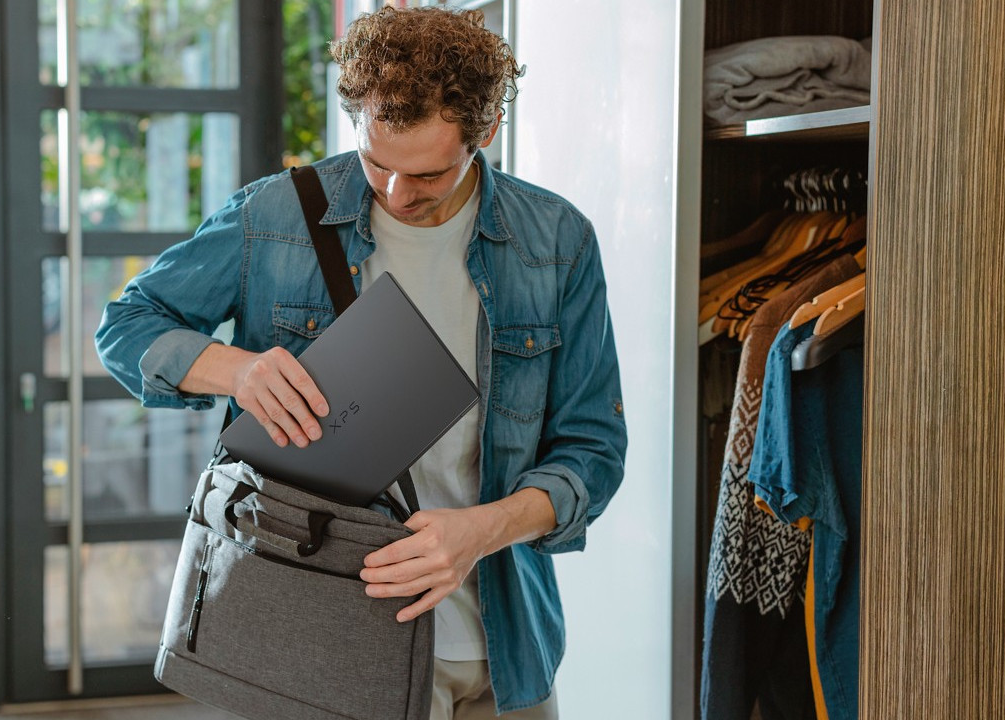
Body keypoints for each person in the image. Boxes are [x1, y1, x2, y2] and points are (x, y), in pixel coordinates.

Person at [96, 6, 626, 718]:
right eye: (377, 162)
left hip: (503, 649)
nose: (395, 194)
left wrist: (481, 531)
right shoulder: (274, 217)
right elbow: (126, 325)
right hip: (323, 641)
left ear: (487, 132)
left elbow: (593, 448)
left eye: (429, 174)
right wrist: (236, 371)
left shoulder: (557, 242)